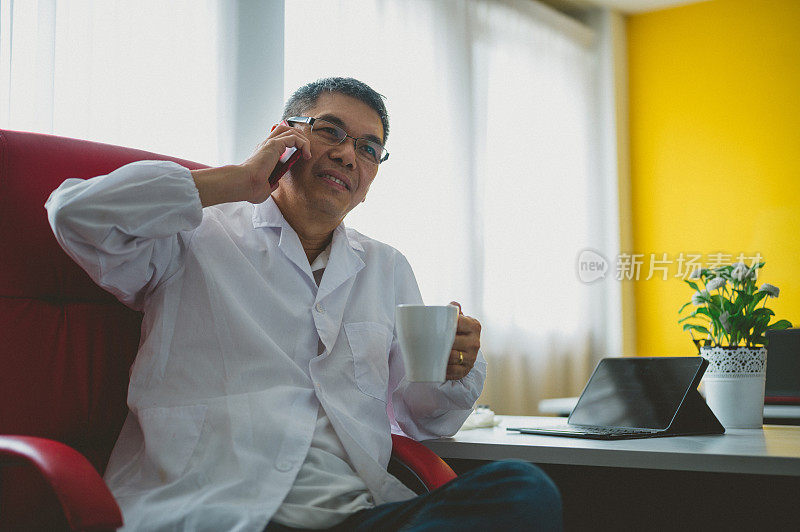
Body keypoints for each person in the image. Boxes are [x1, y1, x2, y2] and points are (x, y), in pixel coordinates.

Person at [46, 77, 562, 531]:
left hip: (356, 513)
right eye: (330, 131)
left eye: (368, 148)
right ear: (284, 137)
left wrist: (454, 369)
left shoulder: (387, 268)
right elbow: (74, 215)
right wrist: (238, 181)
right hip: (211, 509)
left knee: (522, 487)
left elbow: (426, 419)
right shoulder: (195, 234)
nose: (347, 155)